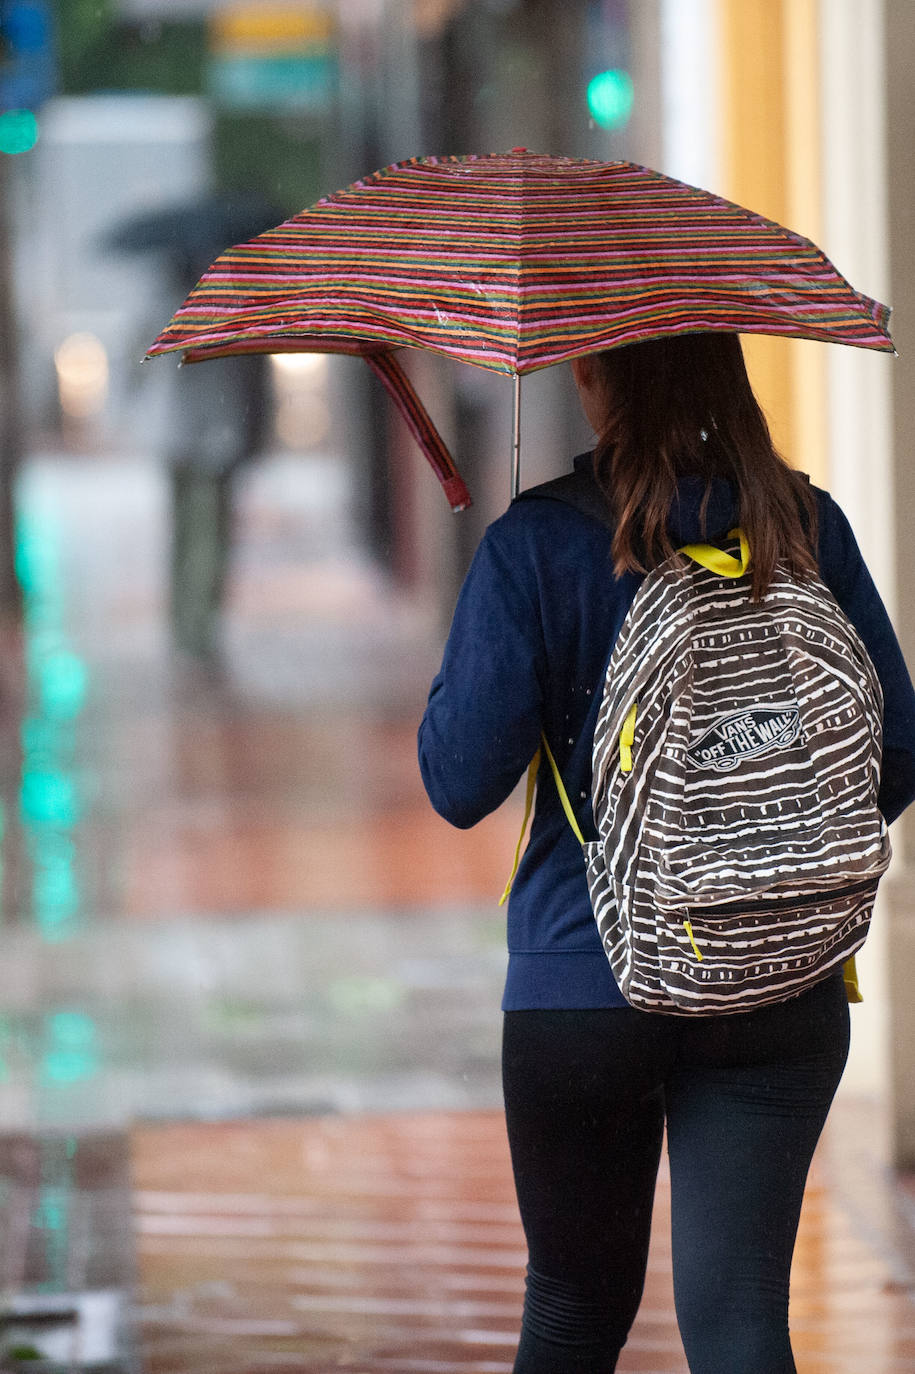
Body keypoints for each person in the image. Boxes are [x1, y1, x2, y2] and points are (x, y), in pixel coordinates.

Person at [417, 332, 915, 1374]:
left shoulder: (540, 543)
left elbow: (459, 783)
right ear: (724, 369)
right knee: (740, 1322)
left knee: (572, 1313)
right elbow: (895, 762)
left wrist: (497, 622)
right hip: (783, 986)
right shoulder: (805, 523)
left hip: (584, 987)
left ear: (590, 375)